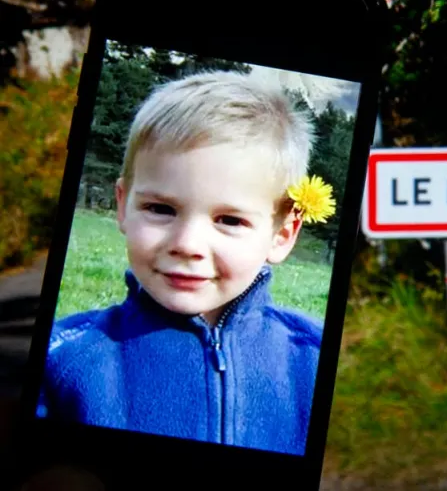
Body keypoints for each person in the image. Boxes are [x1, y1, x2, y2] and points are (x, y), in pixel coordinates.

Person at [36, 70, 336, 456]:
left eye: (230, 220)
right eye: (161, 209)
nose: (187, 244)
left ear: (282, 235)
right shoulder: (60, 359)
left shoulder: (315, 360)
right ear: (123, 205)